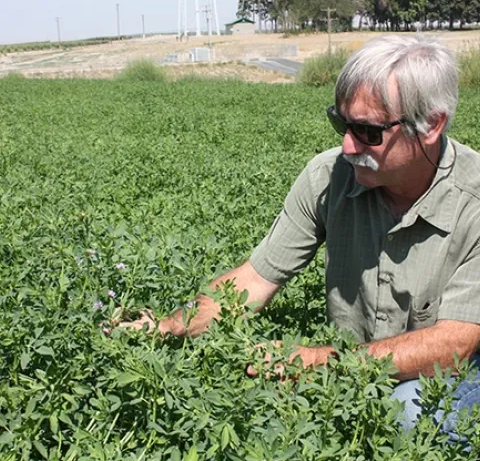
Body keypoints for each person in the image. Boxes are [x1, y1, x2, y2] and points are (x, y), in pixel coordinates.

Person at [119, 35, 480, 433]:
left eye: (367, 132)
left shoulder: (474, 202)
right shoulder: (329, 177)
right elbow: (254, 280)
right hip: (345, 364)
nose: (346, 145)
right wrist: (168, 327)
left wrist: (311, 362)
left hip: (451, 372)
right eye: (341, 123)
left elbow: (452, 346)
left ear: (430, 125)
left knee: (409, 414)